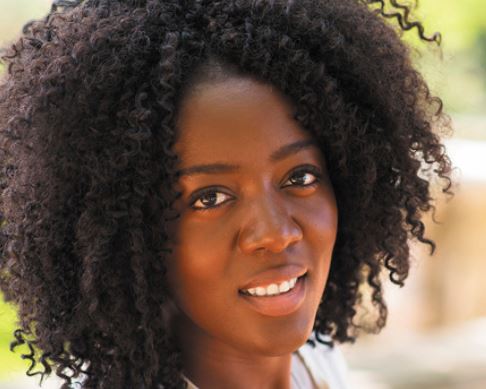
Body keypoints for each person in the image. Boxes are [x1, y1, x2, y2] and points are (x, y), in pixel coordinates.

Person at [0, 0, 452, 388]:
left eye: (300, 177)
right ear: (121, 232)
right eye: (210, 198)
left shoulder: (315, 360)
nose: (275, 235)